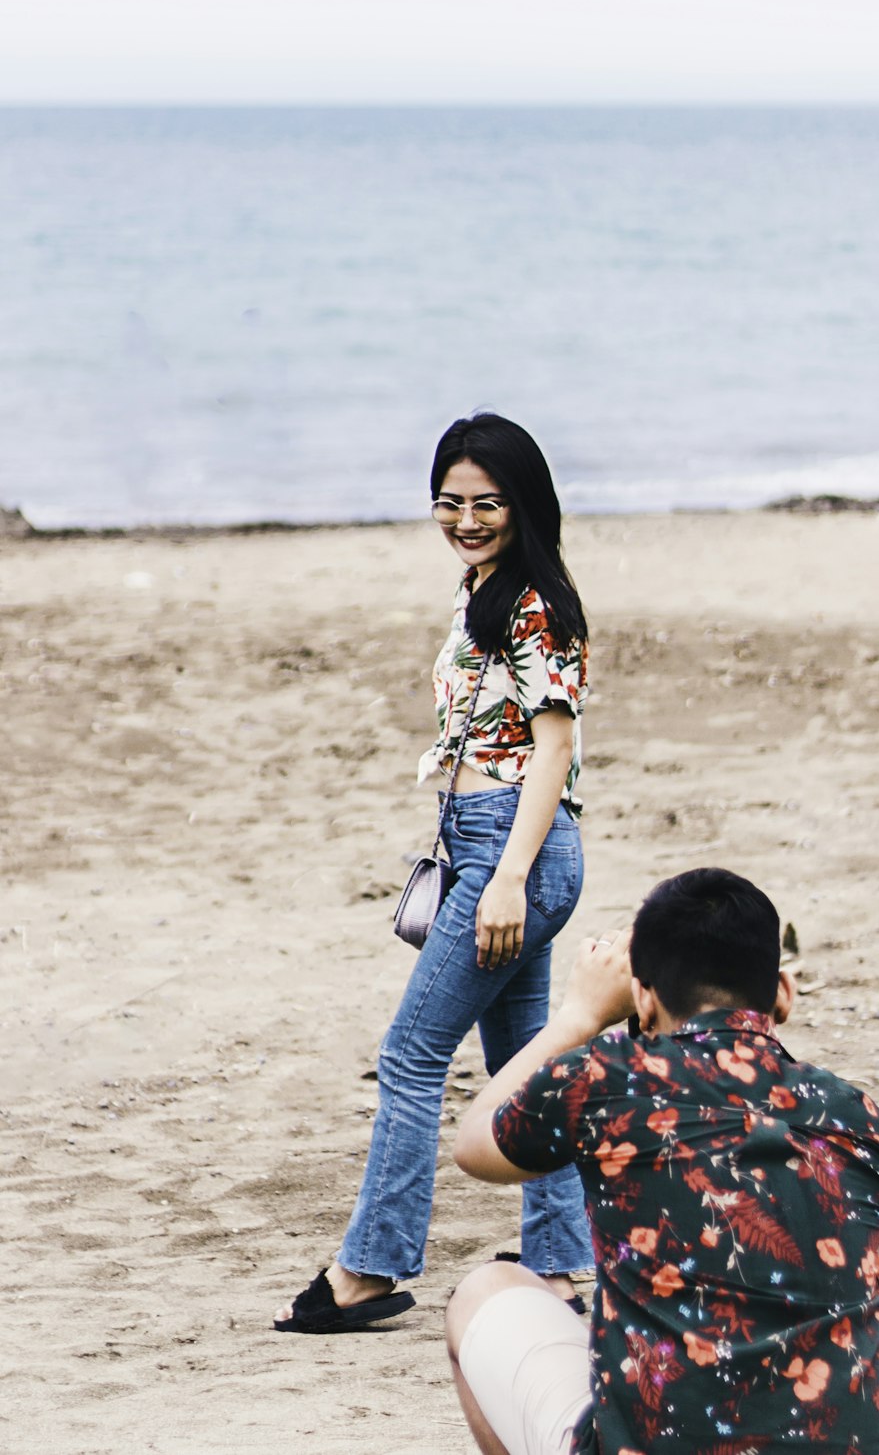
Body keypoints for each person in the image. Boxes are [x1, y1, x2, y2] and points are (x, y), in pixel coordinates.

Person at [447, 867, 879, 1454]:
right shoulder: (853, 1117)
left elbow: (475, 1145)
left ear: (642, 997)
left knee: (484, 1292)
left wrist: (577, 1019)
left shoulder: (608, 1080)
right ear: (784, 994)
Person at [274, 412, 594, 1333]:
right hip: (490, 844)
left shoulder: (534, 602)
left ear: (521, 503)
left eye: (486, 503)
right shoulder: (482, 589)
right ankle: (565, 1263)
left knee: (411, 1056)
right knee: (524, 1062)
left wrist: (506, 880)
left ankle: (368, 1272)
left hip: (515, 850)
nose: (465, 518)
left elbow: (553, 750)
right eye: (449, 502)